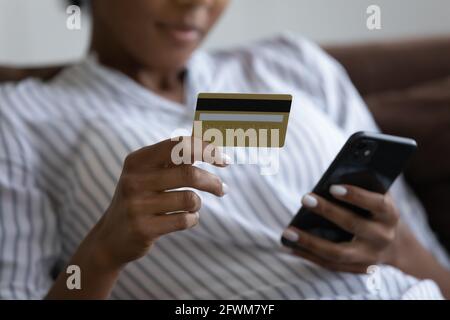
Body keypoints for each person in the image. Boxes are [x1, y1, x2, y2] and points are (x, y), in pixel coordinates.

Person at [0, 0, 449, 300]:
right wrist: (101, 254)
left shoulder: (293, 64)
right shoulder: (22, 117)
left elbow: (436, 269)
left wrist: (395, 249)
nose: (197, 3)